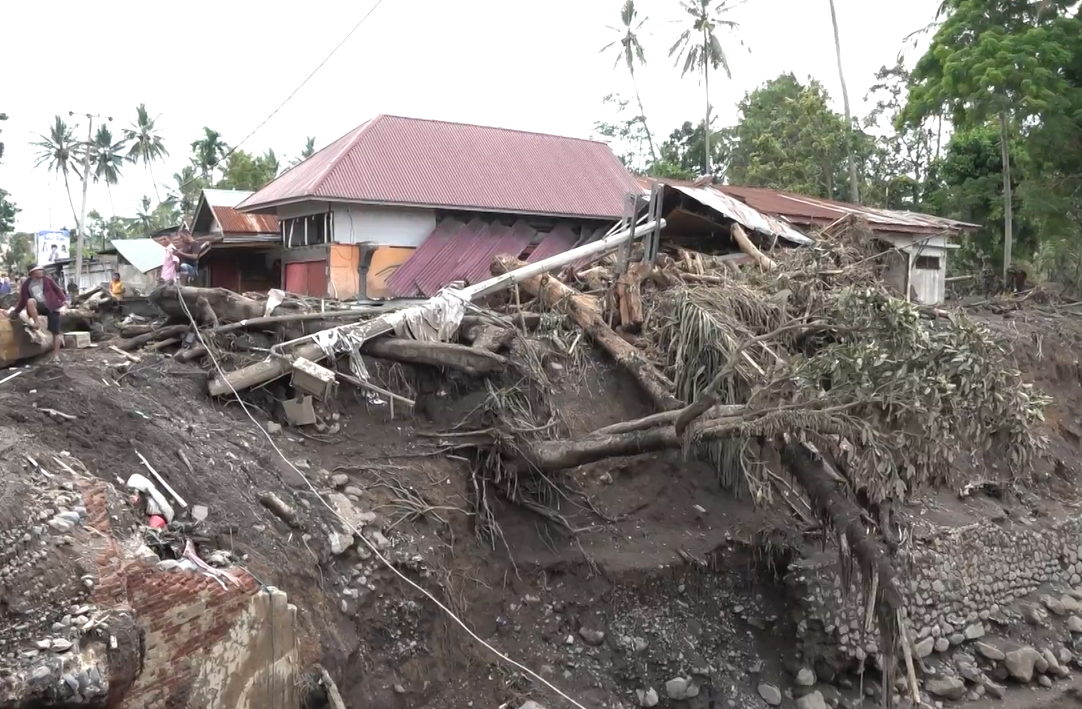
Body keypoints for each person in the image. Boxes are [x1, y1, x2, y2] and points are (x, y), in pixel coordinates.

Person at [8, 264, 67, 355]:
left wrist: (64, 300)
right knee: (30, 301)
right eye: (37, 270)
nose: (40, 272)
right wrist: (16, 311)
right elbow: (23, 300)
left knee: (55, 332)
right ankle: (36, 323)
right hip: (39, 307)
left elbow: (58, 290)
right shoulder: (27, 284)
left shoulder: (47, 280)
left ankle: (56, 356)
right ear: (31, 273)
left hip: (51, 306)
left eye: (41, 270)